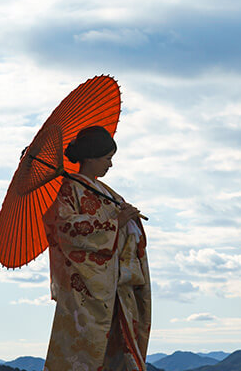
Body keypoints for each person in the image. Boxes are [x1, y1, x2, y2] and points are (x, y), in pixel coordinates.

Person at [43, 126, 151, 371]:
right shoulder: (70, 189)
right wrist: (116, 223)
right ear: (90, 157)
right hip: (87, 290)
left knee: (119, 349)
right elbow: (66, 229)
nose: (110, 165)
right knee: (84, 354)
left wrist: (127, 220)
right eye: (107, 159)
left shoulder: (105, 192)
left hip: (115, 286)